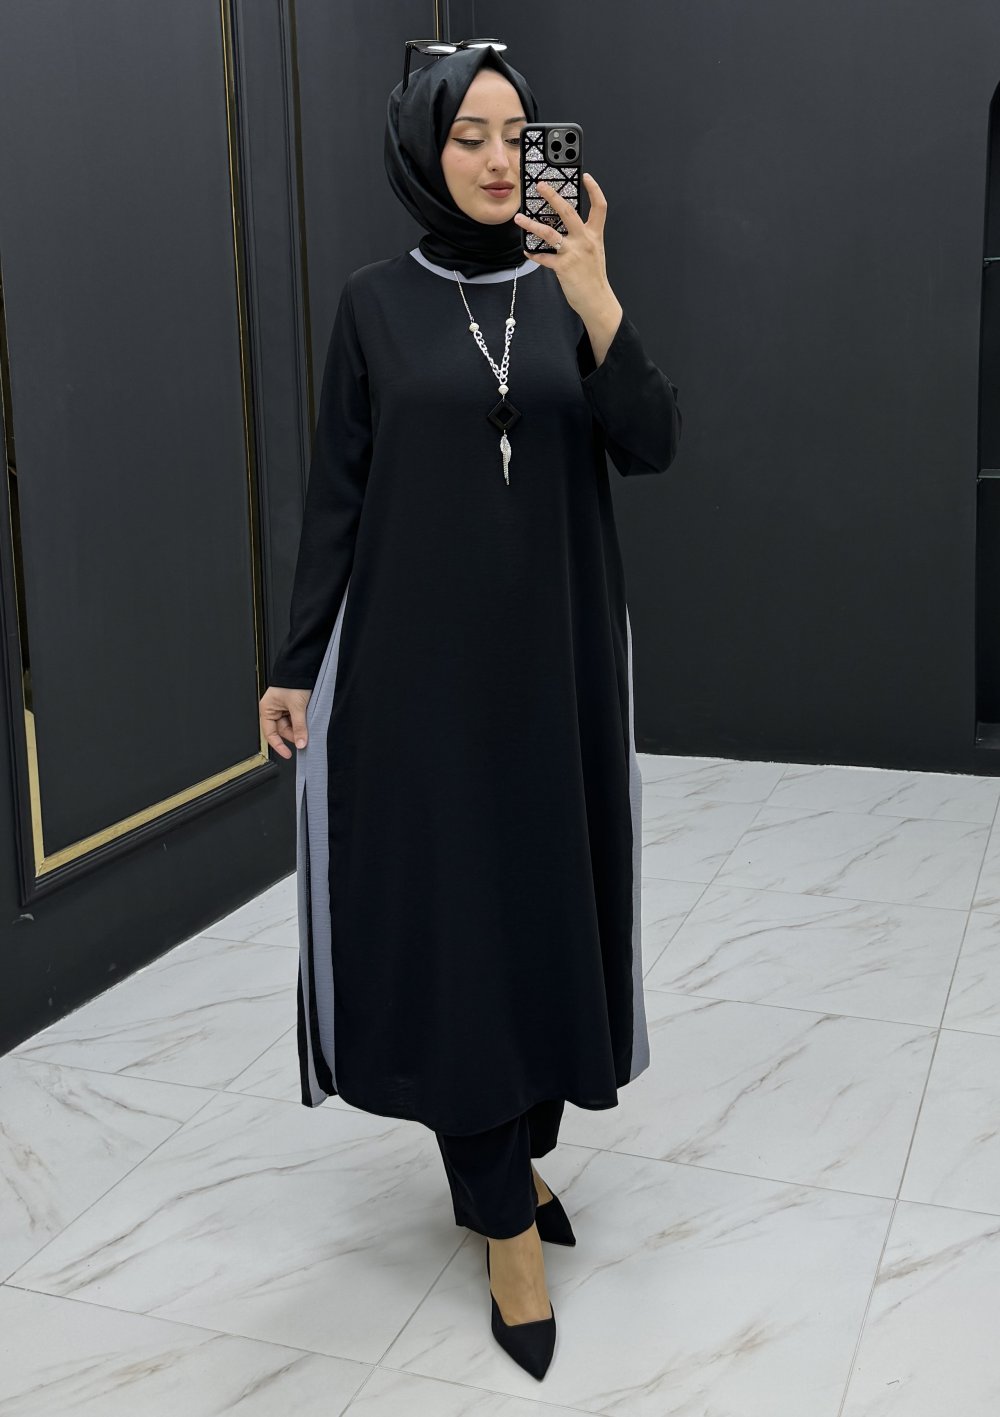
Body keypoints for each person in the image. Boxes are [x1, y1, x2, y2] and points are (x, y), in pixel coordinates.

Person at [257, 43, 682, 1381]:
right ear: (421, 150)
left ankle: (510, 1152)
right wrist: (293, 661)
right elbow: (336, 495)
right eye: (469, 136)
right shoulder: (373, 306)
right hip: (419, 687)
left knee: (545, 915)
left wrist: (598, 296)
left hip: (555, 676)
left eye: (516, 133)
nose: (499, 160)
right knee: (460, 935)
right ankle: (502, 1217)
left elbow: (652, 439)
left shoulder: (567, 288)